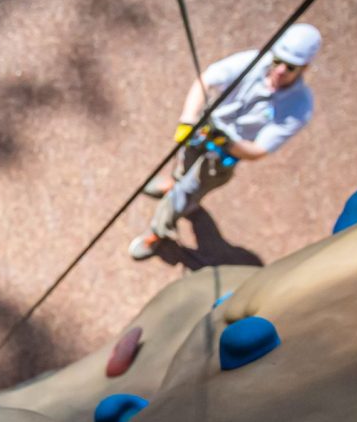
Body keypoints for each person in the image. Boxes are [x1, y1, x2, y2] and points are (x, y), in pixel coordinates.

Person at [128, 24, 321, 260]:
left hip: (222, 156)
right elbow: (205, 81)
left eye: (290, 67)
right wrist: (188, 120)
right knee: (184, 167)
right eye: (277, 60)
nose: (279, 70)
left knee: (185, 194)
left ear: (305, 68)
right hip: (202, 131)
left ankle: (158, 231)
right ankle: (176, 181)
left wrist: (224, 141)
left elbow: (258, 150)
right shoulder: (253, 62)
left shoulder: (299, 106)